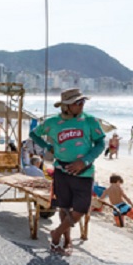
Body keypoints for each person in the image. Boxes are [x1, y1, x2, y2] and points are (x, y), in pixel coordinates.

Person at [30, 88, 106, 254]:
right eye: (77, 103)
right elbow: (34, 134)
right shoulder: (52, 123)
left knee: (81, 208)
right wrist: (48, 147)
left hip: (84, 171)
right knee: (64, 207)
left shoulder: (90, 121)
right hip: (61, 169)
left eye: (83, 102)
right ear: (66, 106)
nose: (82, 105)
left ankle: (56, 233)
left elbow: (101, 143)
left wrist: (84, 161)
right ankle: (67, 241)